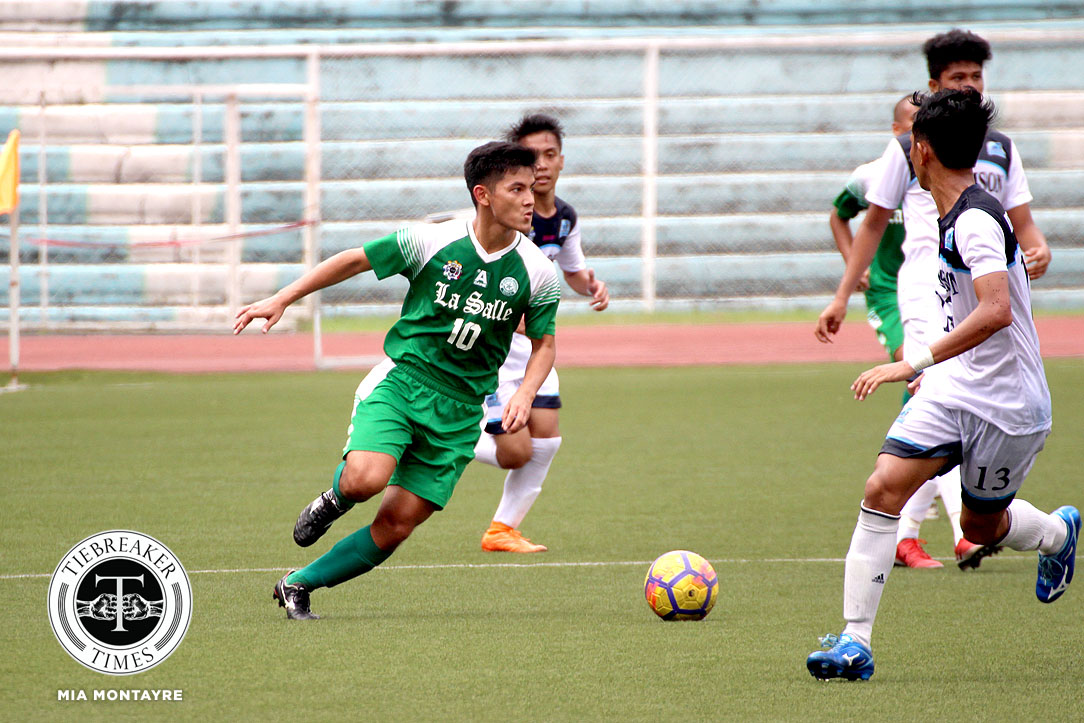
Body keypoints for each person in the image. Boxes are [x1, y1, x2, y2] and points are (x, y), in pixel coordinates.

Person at [806, 88, 1078, 682]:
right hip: (955, 389)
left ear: (921, 150)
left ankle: (1058, 534)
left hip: (1009, 406)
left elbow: (997, 309)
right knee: (883, 486)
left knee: (983, 528)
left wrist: (914, 361)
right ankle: (855, 643)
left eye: (909, 144)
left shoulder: (977, 219)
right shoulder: (948, 211)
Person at [234, 141, 562, 620]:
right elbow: (353, 260)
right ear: (483, 194)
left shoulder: (538, 271)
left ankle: (297, 584)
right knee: (366, 480)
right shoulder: (430, 240)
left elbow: (544, 344)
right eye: (517, 189)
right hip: (403, 383)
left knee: (396, 525)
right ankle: (335, 498)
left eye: (532, 188)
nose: (531, 199)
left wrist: (526, 392)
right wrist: (284, 297)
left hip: (462, 409)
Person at [815, 28, 1053, 570]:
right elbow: (870, 222)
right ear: (934, 86)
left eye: (976, 76)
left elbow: (1024, 226)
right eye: (957, 78)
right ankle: (913, 533)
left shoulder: (999, 152)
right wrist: (844, 295)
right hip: (925, 293)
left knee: (935, 407)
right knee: (922, 405)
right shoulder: (907, 146)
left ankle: (965, 527)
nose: (968, 86)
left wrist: (1037, 252)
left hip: (976, 298)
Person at [472, 113, 610, 553]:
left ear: (562, 160)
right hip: (495, 346)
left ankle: (502, 530)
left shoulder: (564, 217)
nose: (543, 164)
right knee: (515, 451)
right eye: (534, 156)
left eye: (551, 154)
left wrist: (590, 284)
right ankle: (442, 438)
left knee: (547, 437)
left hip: (535, 346)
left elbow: (570, 268)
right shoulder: (506, 215)